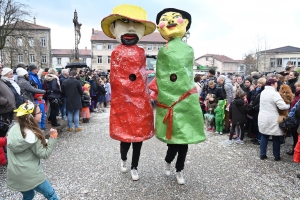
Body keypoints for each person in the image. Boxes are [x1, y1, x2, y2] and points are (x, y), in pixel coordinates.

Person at [101, 4, 155, 181]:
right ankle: (124, 159)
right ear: (114, 28)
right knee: (125, 139)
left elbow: (142, 75)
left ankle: (135, 167)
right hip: (123, 102)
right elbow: (116, 78)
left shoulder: (141, 52)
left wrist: (145, 95)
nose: (131, 28)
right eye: (125, 22)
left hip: (140, 102)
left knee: (137, 140)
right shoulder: (116, 52)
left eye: (136, 23)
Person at [154, 8, 206, 184]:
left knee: (184, 142)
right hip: (171, 101)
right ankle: (168, 161)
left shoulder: (189, 50)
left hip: (186, 101)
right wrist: (167, 97)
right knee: (173, 143)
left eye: (175, 18)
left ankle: (179, 170)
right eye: (165, 19)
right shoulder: (163, 51)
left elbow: (187, 75)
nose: (170, 21)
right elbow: (162, 76)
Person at [6, 101, 59, 199]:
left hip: (15, 174)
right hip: (31, 175)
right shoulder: (32, 134)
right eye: (39, 112)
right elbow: (44, 154)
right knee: (51, 194)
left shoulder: (13, 129)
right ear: (31, 116)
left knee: (28, 195)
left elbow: (21, 146)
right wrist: (53, 138)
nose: (42, 113)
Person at [259, 79, 290, 161]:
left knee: (264, 135)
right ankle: (276, 156)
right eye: (276, 83)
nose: (277, 85)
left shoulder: (263, 92)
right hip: (272, 118)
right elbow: (282, 106)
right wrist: (288, 105)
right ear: (273, 84)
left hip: (263, 116)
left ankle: (262, 154)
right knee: (276, 137)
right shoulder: (274, 94)